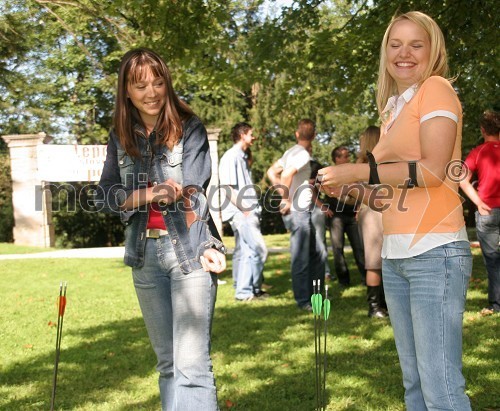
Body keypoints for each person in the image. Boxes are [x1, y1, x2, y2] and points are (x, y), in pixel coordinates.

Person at [318, 11, 473, 410]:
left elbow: (434, 172)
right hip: (396, 256)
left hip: (434, 252)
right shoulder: (393, 108)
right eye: (395, 44)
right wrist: (353, 190)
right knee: (415, 386)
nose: (404, 53)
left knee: (441, 387)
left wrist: (360, 168)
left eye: (416, 44)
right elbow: (391, 194)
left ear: (433, 50)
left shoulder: (436, 89)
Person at [96, 48, 226, 411]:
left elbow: (194, 193)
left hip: (187, 254)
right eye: (140, 85)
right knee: (168, 365)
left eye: (158, 82)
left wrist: (206, 246)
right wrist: (149, 193)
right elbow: (105, 196)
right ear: (125, 91)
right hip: (144, 256)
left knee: (192, 366)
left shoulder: (190, 128)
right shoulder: (121, 136)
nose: (151, 92)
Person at [267, 119, 326, 310]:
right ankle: (303, 301)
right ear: (314, 136)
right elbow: (285, 175)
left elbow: (271, 172)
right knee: (302, 257)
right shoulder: (301, 154)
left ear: (296, 134)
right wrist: (285, 199)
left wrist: (284, 195)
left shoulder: (290, 152)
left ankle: (315, 296)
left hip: (301, 210)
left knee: (316, 254)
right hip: (299, 211)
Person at [219, 122, 268, 301]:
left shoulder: (241, 157)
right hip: (242, 212)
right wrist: (245, 208)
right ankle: (247, 291)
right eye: (251, 134)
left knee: (244, 251)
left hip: (245, 211)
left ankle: (243, 289)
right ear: (242, 135)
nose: (253, 137)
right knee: (258, 250)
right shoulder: (231, 157)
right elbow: (226, 188)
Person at [460, 110, 500, 315]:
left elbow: (461, 179)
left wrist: (478, 202)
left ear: (483, 130)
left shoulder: (478, 152)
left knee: (493, 261)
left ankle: (496, 304)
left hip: (488, 212)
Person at [356, 126, 388, 318]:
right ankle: (375, 306)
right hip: (375, 213)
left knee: (381, 260)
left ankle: (382, 303)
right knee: (375, 261)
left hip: (372, 211)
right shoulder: (372, 163)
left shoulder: (362, 163)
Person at [326, 146, 366, 287]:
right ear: (337, 159)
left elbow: (361, 192)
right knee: (338, 249)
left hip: (352, 216)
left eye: (348, 155)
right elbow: (314, 188)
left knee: (359, 248)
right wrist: (322, 206)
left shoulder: (352, 173)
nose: (348, 158)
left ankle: (365, 278)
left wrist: (359, 209)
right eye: (345, 156)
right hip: (336, 217)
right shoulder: (329, 174)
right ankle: (344, 281)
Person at [309, 159, 334, 281]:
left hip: (313, 211)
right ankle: (324, 272)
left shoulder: (313, 179)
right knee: (319, 241)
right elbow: (312, 194)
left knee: (319, 241)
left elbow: (314, 192)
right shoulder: (307, 179)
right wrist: (322, 206)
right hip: (311, 211)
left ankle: (325, 272)